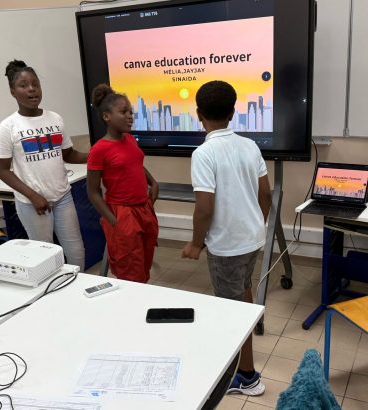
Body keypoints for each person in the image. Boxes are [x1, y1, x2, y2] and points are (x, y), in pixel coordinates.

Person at [181, 80, 271, 396]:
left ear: (198, 114)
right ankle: (244, 369)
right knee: (242, 293)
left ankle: (246, 376)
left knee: (229, 311)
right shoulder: (250, 146)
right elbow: (265, 194)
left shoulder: (203, 153)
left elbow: (204, 208)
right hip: (252, 240)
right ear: (233, 112)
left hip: (228, 247)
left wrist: (196, 243)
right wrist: (255, 225)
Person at [0, 59, 87, 270]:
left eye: (35, 84)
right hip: (32, 203)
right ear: (12, 92)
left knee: (76, 252)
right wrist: (33, 196)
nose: (31, 89)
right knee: (45, 257)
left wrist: (96, 156)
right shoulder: (8, 127)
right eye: (24, 85)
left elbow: (68, 154)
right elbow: (1, 170)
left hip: (63, 197)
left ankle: (73, 288)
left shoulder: (55, 119)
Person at [86, 84, 159, 283]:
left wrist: (153, 182)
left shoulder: (129, 140)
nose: (130, 116)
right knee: (130, 274)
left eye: (131, 112)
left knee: (143, 268)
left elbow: (135, 164)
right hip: (122, 213)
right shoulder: (99, 150)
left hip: (144, 210)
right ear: (107, 116)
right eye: (123, 112)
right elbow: (93, 192)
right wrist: (114, 222)